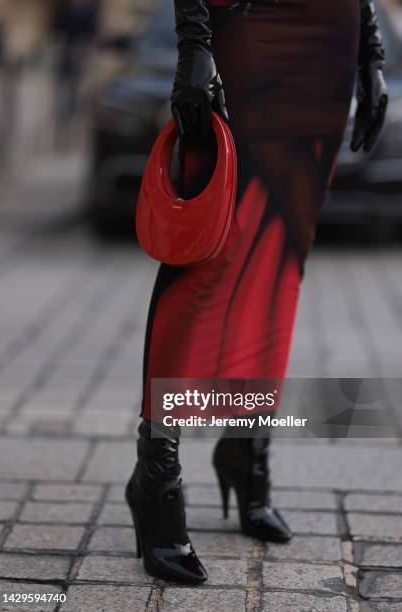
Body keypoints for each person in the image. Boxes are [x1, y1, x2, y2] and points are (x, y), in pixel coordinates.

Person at [126, 0, 388, 583]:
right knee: (208, 257)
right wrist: (195, 41)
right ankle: (157, 475)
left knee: (281, 256)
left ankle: (246, 448)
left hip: (331, 35)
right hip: (247, 23)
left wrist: (369, 44)